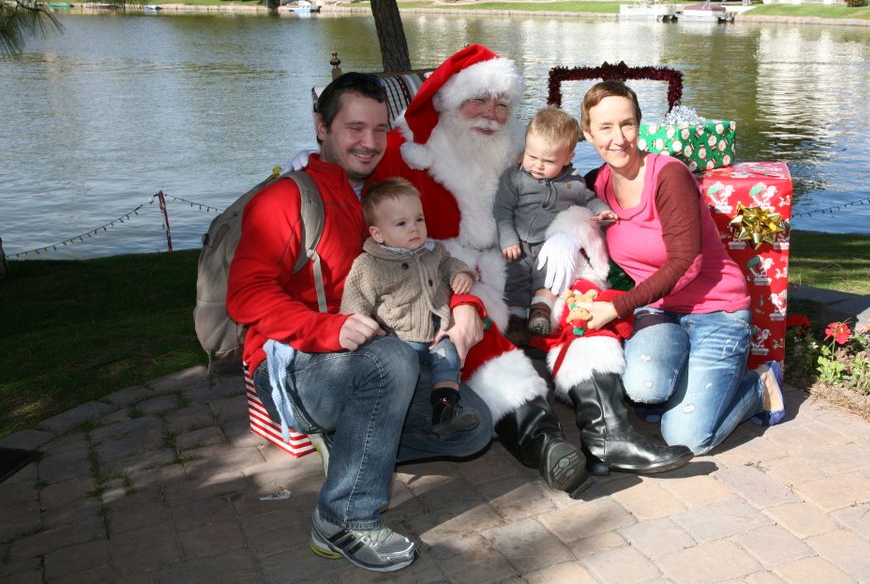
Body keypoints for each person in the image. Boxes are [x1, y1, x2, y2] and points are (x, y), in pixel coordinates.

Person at [367, 44, 694, 482]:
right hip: (445, 269)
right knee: (472, 322)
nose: (490, 114)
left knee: (581, 297)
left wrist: (567, 231)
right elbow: (361, 195)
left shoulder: (521, 148)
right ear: (449, 101)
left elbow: (567, 194)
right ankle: (543, 442)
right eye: (478, 99)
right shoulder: (406, 149)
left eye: (502, 105)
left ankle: (607, 433)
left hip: (523, 262)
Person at [226, 72, 494, 574]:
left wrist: (465, 307)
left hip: (374, 361)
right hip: (295, 363)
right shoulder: (284, 199)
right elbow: (245, 295)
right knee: (391, 359)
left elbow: (429, 265)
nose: (369, 143)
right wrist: (328, 330)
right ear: (321, 127)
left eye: (379, 130)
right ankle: (343, 519)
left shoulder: (382, 197)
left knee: (471, 430)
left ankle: (351, 447)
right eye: (354, 128)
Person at [570, 80, 786, 456]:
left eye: (627, 124)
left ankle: (758, 386)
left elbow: (686, 264)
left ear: (639, 126)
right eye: (604, 127)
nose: (618, 138)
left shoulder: (669, 176)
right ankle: (685, 378)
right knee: (644, 389)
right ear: (588, 133)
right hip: (661, 310)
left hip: (718, 309)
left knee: (687, 439)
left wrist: (617, 307)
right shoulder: (595, 187)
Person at [341, 177, 480, 435]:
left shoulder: (433, 251)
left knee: (448, 359)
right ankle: (391, 419)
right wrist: (359, 328)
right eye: (401, 224)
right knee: (402, 375)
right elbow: (355, 300)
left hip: (437, 332)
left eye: (419, 219)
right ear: (377, 234)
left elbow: (450, 264)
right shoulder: (370, 265)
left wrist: (462, 274)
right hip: (400, 338)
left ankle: (445, 408)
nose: (414, 228)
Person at [493, 107, 615, 336]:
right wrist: (508, 237)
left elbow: (589, 199)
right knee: (514, 274)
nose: (538, 165)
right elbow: (502, 209)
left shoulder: (574, 183)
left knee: (550, 276)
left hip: (549, 244)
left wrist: (602, 210)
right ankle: (517, 319)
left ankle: (541, 310)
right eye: (532, 156)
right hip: (519, 242)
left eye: (548, 161)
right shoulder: (515, 178)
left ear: (568, 158)